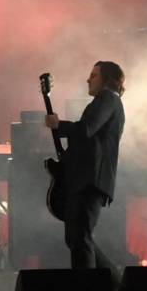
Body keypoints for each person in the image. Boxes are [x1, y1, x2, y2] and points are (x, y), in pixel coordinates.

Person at [43, 60, 126, 271]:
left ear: (107, 80)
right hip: (85, 179)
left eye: (94, 75)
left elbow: (87, 129)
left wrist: (59, 125)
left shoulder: (108, 98)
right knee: (78, 238)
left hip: (90, 180)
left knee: (79, 239)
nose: (88, 79)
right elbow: (87, 139)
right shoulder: (105, 101)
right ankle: (115, 284)